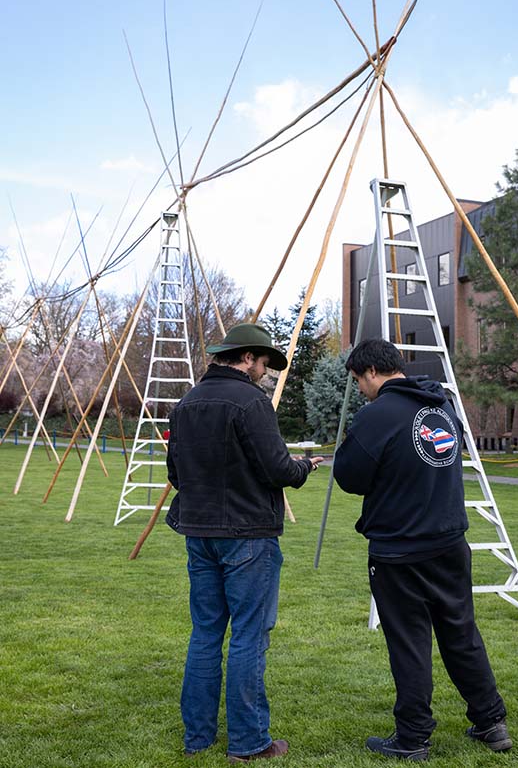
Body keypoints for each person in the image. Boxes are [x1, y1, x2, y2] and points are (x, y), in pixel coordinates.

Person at [333, 339, 511, 762]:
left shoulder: (378, 415)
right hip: (449, 542)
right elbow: (451, 453)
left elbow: (349, 476)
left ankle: (413, 738)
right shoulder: (442, 404)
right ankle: (491, 720)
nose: (360, 389)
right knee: (461, 634)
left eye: (359, 380)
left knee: (410, 643)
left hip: (400, 550)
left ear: (372, 372)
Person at [166, 322, 322, 762]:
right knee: (249, 637)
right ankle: (250, 743)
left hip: (200, 535)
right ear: (248, 357)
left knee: (205, 633)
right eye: (264, 363)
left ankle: (197, 738)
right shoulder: (251, 402)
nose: (266, 372)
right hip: (248, 536)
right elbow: (277, 469)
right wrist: (305, 466)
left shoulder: (186, 403)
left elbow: (175, 474)